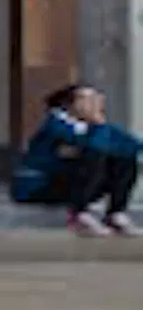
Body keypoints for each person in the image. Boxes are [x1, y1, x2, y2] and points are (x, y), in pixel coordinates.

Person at [13, 82, 143, 234]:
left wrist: (103, 127)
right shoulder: (57, 125)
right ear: (70, 104)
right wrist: (99, 125)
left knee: (125, 157)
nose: (94, 104)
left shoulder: (94, 126)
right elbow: (91, 147)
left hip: (71, 182)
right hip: (40, 186)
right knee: (95, 156)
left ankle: (116, 212)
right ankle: (78, 213)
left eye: (97, 99)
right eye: (87, 100)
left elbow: (134, 145)